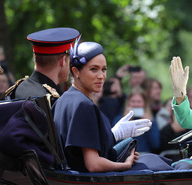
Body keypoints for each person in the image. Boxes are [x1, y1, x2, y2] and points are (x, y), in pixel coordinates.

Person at [52, 40, 173, 172]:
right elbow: (93, 164)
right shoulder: (83, 104)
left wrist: (113, 136)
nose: (101, 76)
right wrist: (125, 165)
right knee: (161, 166)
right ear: (76, 72)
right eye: (94, 69)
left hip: (74, 179)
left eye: (104, 69)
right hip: (89, 182)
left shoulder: (63, 99)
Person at [5, 27, 80, 103]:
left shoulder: (17, 89)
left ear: (35, 57)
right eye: (69, 60)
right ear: (63, 61)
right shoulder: (54, 101)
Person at [113, 87, 160, 153]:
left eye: (139, 102)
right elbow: (116, 144)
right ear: (128, 103)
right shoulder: (119, 120)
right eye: (133, 101)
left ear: (144, 104)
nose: (136, 104)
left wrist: (149, 127)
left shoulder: (151, 119)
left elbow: (155, 145)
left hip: (144, 155)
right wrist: (127, 122)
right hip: (125, 155)